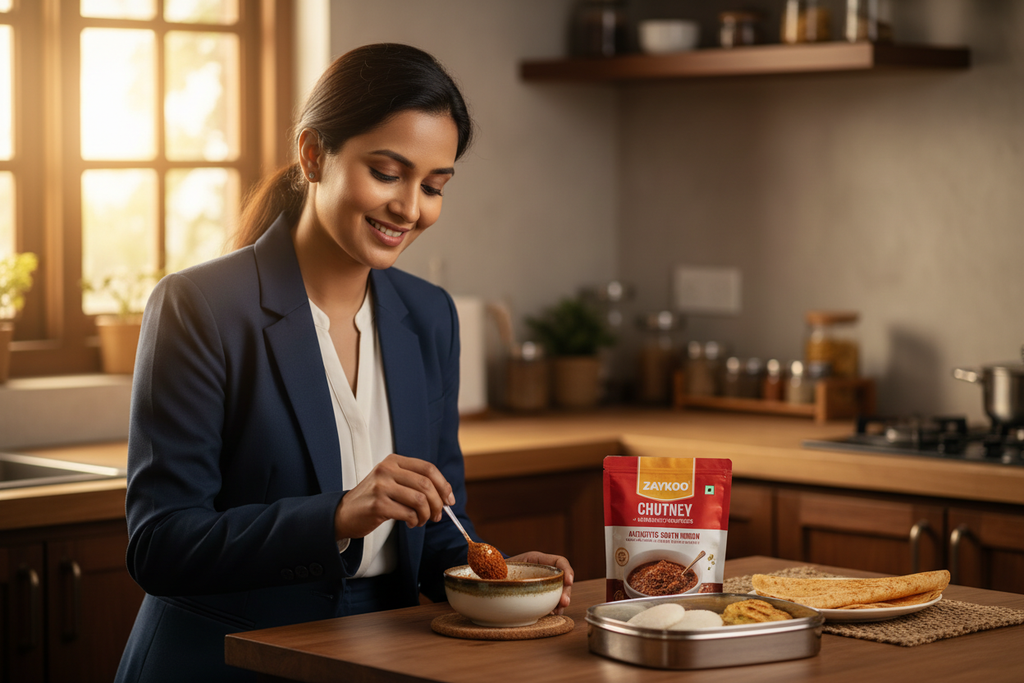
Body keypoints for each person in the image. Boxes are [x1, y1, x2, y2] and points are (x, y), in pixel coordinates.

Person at [114, 43, 573, 683]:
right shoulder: (201, 306)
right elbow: (161, 545)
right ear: (312, 155)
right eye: (388, 173)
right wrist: (334, 517)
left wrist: (498, 581)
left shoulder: (430, 316)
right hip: (224, 661)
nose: (411, 208)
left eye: (434, 186)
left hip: (380, 660)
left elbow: (439, 530)